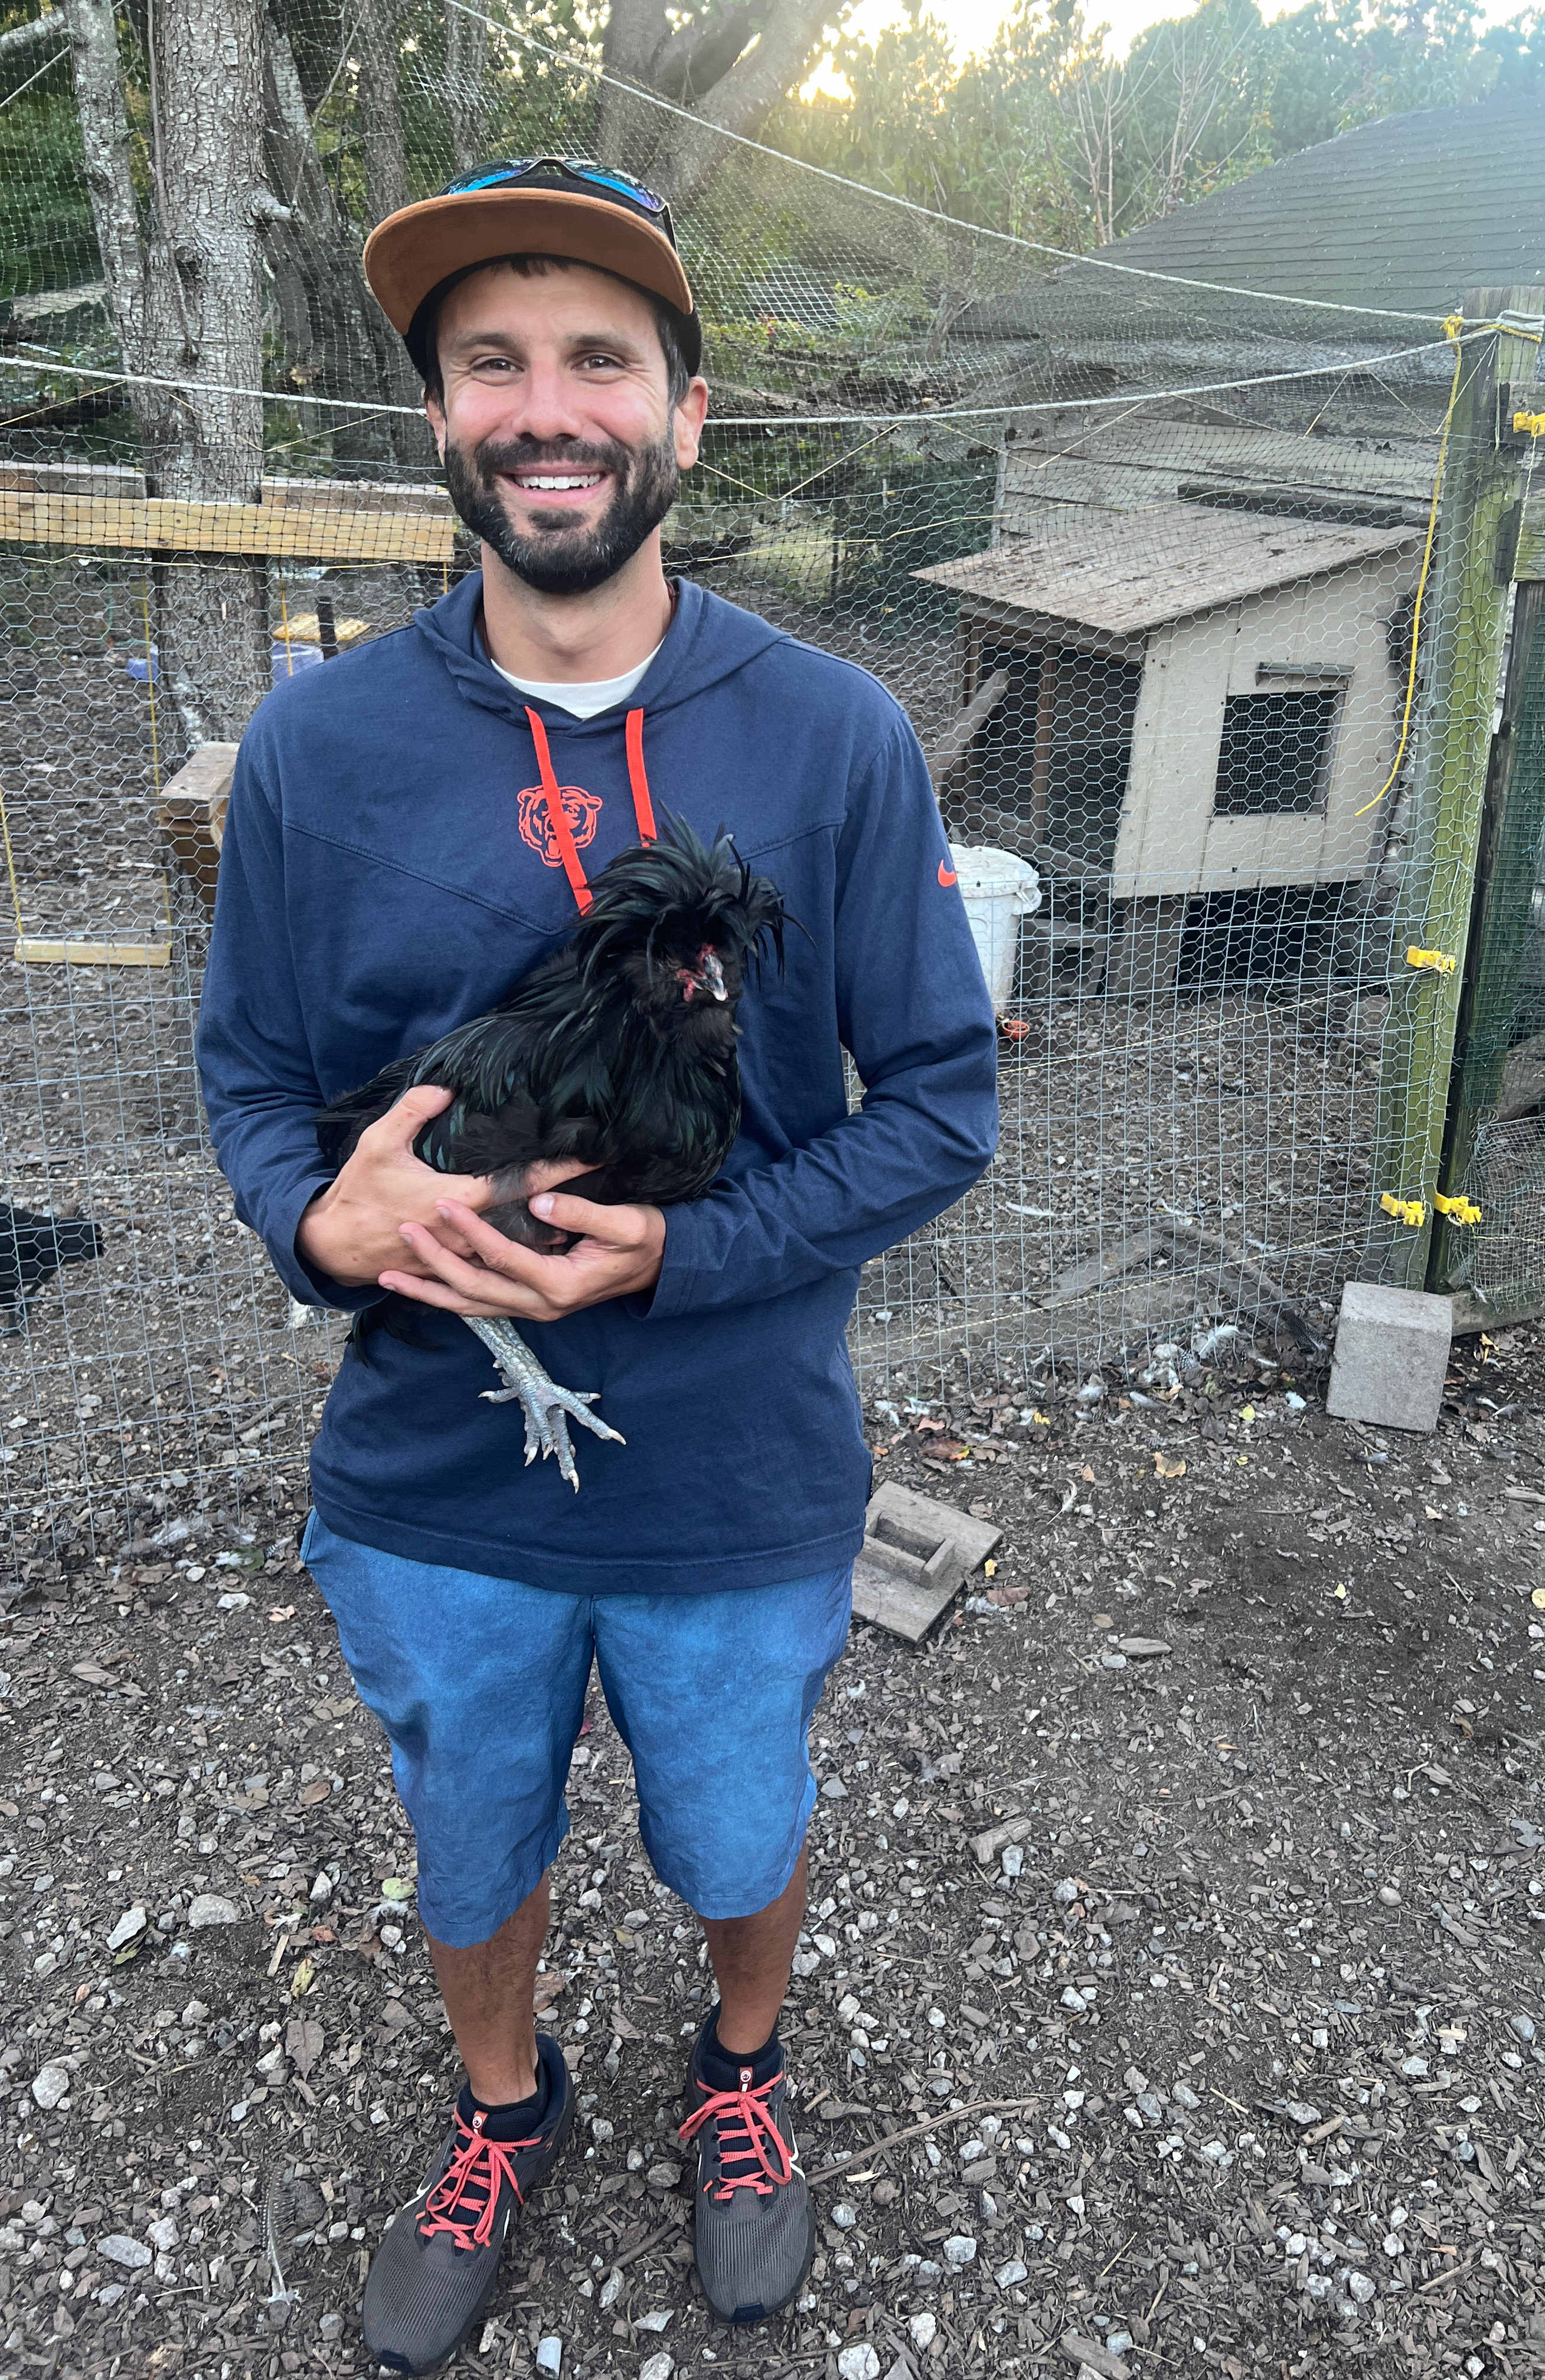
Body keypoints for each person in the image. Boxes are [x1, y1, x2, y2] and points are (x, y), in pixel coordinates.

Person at [197, 159, 997, 2374]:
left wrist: (683, 1253)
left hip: (738, 1467)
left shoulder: (833, 736)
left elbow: (943, 1102)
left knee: (739, 1814)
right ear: (443, 420)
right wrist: (311, 1220)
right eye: (493, 364)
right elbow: (254, 1082)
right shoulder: (317, 744)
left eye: (596, 361)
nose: (549, 408)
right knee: (473, 1828)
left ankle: (737, 2074)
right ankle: (501, 2097)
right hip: (431, 1473)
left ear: (684, 414)